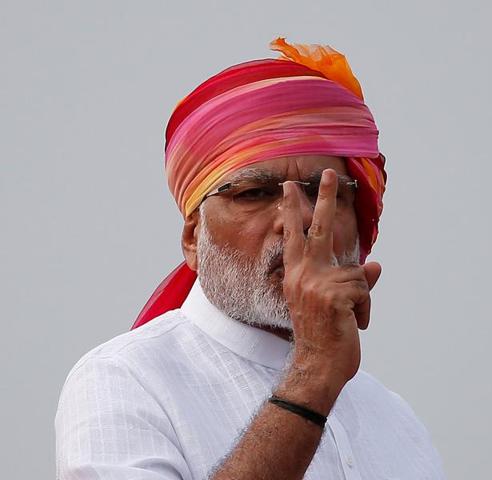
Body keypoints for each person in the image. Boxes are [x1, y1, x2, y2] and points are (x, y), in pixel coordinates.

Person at [55, 38, 446, 480]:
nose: (298, 219)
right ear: (192, 239)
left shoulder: (393, 418)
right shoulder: (124, 382)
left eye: (324, 193)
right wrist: (313, 376)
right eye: (255, 194)